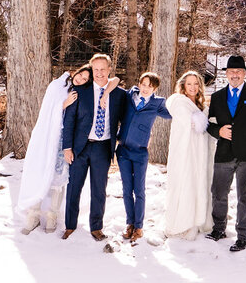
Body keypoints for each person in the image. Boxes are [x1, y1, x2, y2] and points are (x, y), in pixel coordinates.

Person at [18, 65, 118, 235]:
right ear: (75, 72)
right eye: (80, 75)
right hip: (50, 138)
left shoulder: (82, 92)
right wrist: (64, 104)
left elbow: (114, 80)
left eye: (85, 79)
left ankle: (52, 215)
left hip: (67, 141)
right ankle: (33, 214)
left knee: (60, 177)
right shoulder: (57, 86)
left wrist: (106, 92)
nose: (80, 79)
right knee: (41, 173)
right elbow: (46, 110)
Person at [206, 56, 246, 252]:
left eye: (239, 71)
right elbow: (209, 124)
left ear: (244, 73)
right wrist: (219, 131)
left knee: (245, 196)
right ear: (226, 74)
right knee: (218, 193)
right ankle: (219, 228)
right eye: (231, 72)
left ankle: (243, 236)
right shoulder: (217, 97)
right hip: (224, 153)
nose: (235, 75)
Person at [61, 54, 127, 241]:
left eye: (103, 69)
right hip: (79, 148)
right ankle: (70, 225)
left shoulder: (119, 94)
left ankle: (96, 227)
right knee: (74, 187)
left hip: (103, 148)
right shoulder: (80, 91)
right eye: (96, 69)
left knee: (99, 189)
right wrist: (67, 147)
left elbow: (125, 119)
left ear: (109, 70)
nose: (99, 73)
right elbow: (69, 120)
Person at [116, 72, 172, 242]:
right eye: (144, 84)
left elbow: (172, 114)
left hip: (140, 152)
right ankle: (130, 224)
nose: (146, 88)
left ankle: (139, 226)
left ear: (155, 89)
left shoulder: (157, 103)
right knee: (127, 189)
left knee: (139, 190)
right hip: (123, 150)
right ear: (139, 84)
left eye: (150, 86)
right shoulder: (129, 96)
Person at [164, 71, 216, 239]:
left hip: (201, 154)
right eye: (189, 84)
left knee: (199, 184)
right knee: (185, 184)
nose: (193, 87)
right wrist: (199, 120)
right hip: (184, 153)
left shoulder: (202, 106)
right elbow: (192, 123)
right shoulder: (180, 103)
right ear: (183, 86)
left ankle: (198, 220)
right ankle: (183, 222)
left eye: (196, 84)